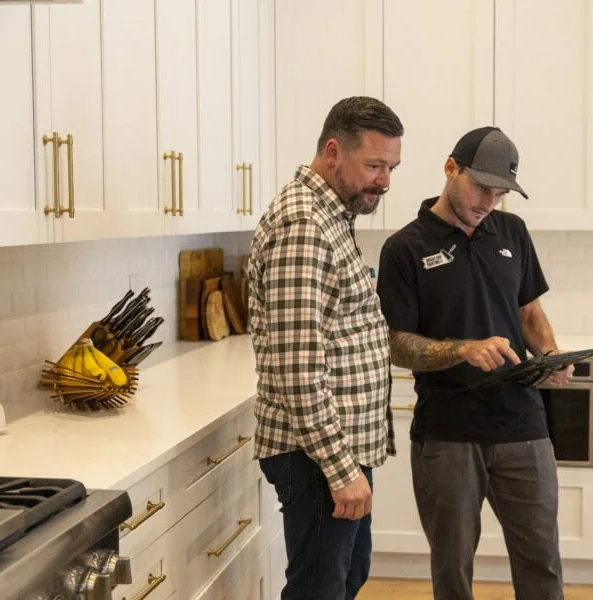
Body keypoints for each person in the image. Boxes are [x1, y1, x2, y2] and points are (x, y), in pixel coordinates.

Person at [376, 126, 573, 600]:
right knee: (452, 570)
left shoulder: (513, 233)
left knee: (542, 560)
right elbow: (395, 343)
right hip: (447, 431)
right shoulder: (405, 249)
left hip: (522, 424)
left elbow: (529, 311)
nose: (490, 200)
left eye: (501, 191)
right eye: (482, 186)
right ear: (450, 169)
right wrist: (462, 349)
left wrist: (549, 355)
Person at [247, 96, 403, 599]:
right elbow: (299, 371)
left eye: (391, 167)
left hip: (336, 451)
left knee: (345, 578)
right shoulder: (305, 226)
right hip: (316, 457)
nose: (385, 181)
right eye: (374, 165)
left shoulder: (333, 214)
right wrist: (341, 470)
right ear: (333, 152)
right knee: (319, 589)